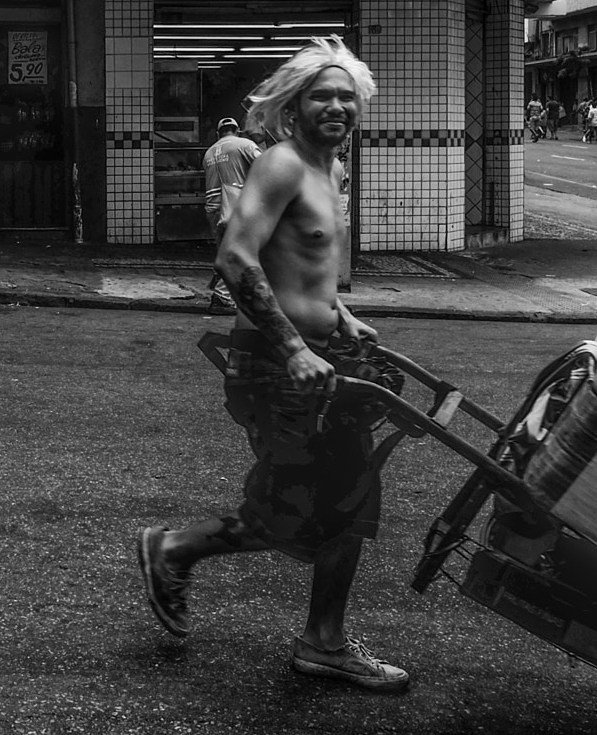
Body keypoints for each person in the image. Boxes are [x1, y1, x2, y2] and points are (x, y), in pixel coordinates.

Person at [136, 38, 409, 692]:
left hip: (325, 359)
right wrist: (292, 346)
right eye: (323, 95)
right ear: (294, 103)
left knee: (347, 497)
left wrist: (338, 314)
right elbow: (236, 257)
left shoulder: (332, 168)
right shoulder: (282, 164)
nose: (338, 105)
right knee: (301, 506)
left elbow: (305, 263)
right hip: (276, 365)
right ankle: (174, 550)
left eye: (347, 95)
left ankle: (324, 640)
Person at [202, 116, 261, 310]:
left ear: (219, 133)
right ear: (236, 130)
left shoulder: (209, 153)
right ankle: (222, 296)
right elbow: (266, 167)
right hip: (234, 207)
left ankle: (232, 290)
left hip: (213, 208)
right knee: (238, 252)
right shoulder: (244, 144)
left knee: (225, 251)